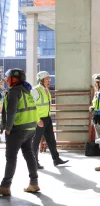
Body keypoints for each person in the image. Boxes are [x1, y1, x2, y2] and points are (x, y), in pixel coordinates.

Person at [0, 68, 42, 196]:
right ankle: (34, 184)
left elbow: (11, 112)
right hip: (30, 128)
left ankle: (5, 187)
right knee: (29, 155)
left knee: (11, 158)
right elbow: (33, 109)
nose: (6, 80)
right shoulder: (27, 92)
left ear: (13, 79)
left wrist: (7, 128)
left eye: (8, 78)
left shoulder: (14, 92)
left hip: (17, 130)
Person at [32, 71, 68, 169]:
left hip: (47, 118)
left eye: (49, 79)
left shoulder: (46, 90)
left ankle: (56, 159)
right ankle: (34, 163)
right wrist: (37, 120)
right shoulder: (35, 90)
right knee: (35, 142)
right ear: (41, 80)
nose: (49, 80)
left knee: (51, 140)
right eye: (47, 79)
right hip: (39, 120)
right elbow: (32, 107)